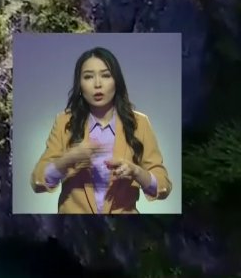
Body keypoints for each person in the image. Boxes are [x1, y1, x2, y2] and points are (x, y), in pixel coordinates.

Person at [30, 46, 172, 214]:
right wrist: (69, 159)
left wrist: (136, 172)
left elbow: (163, 186)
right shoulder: (64, 122)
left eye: (106, 75)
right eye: (88, 77)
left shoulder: (139, 123)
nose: (98, 84)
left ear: (116, 81)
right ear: (80, 85)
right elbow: (37, 182)